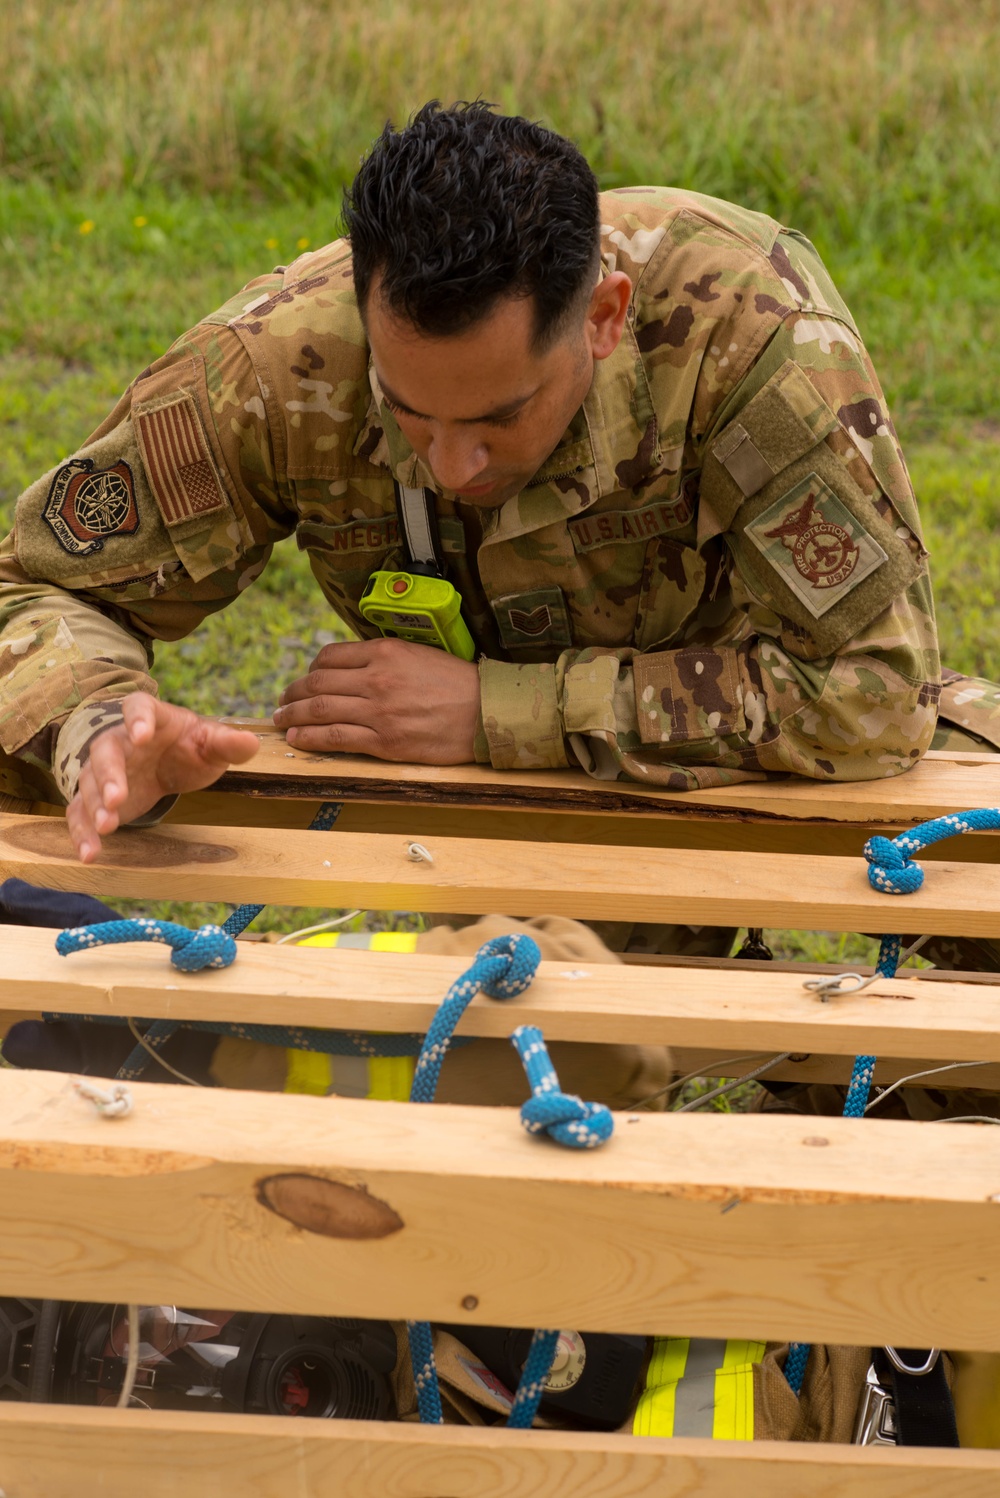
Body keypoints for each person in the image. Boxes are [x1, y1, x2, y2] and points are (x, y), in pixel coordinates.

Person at [1, 99, 997, 872]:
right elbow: (38, 587)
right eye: (409, 412)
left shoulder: (743, 335)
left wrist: (496, 710)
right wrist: (97, 730)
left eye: (496, 419)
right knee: (552, 1052)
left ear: (602, 318)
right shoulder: (278, 365)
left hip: (735, 748)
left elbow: (871, 690)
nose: (449, 466)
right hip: (474, 813)